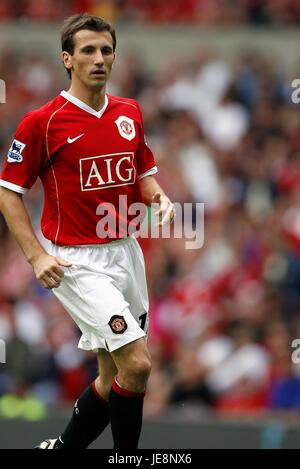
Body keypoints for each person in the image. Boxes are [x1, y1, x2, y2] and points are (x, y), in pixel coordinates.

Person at [0, 13, 175, 449]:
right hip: (77, 261)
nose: (99, 59)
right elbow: (8, 193)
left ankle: (61, 449)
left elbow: (143, 171)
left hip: (126, 251)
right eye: (88, 51)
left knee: (112, 374)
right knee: (137, 364)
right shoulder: (43, 121)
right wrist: (37, 256)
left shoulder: (129, 112)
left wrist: (159, 196)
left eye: (106, 50)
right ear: (68, 59)